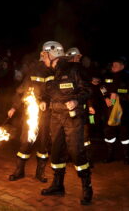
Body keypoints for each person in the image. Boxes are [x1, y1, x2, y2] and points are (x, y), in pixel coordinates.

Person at [40, 41, 93, 205]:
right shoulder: (49, 73)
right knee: (56, 151)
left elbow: (87, 90)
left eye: (43, 55)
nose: (41, 58)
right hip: (55, 117)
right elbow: (46, 92)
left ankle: (87, 187)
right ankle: (58, 185)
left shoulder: (73, 69)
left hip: (72, 118)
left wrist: (76, 101)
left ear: (52, 53)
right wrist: (42, 100)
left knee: (76, 152)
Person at [7, 44, 55, 183]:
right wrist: (14, 107)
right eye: (44, 54)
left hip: (46, 115)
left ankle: (40, 173)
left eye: (48, 54)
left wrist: (45, 101)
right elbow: (22, 90)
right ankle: (19, 170)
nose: (45, 56)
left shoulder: (53, 72)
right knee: (26, 142)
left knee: (43, 144)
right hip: (31, 113)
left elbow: (52, 92)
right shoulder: (33, 70)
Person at [102, 58, 129, 165]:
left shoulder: (127, 76)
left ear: (122, 66)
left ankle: (126, 156)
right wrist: (106, 97)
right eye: (113, 64)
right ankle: (110, 155)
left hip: (123, 110)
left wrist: (117, 92)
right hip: (109, 109)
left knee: (124, 133)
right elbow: (102, 87)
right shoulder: (107, 75)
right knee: (108, 132)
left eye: (116, 64)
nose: (113, 66)